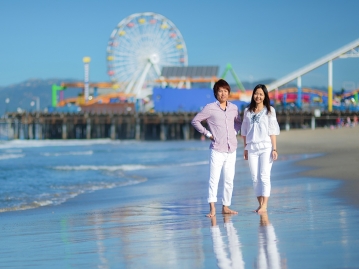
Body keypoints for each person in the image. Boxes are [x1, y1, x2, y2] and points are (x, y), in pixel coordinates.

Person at [191, 79, 241, 217]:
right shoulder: (210, 108)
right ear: (216, 93)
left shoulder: (234, 108)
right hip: (217, 149)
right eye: (220, 91)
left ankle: (226, 207)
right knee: (214, 179)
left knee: (229, 180)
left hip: (232, 149)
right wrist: (207, 134)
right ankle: (212, 209)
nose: (223, 94)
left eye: (225, 91)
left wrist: (235, 132)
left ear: (229, 92)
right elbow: (195, 121)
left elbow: (238, 123)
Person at [241, 84, 280, 213]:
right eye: (256, 93)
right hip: (251, 147)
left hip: (266, 147)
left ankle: (265, 205)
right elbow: (244, 132)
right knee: (254, 177)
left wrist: (274, 149)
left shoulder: (270, 110)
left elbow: (272, 130)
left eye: (261, 94)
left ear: (265, 96)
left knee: (264, 175)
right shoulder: (247, 111)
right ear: (253, 95)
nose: (258, 96)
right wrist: (245, 148)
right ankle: (261, 204)